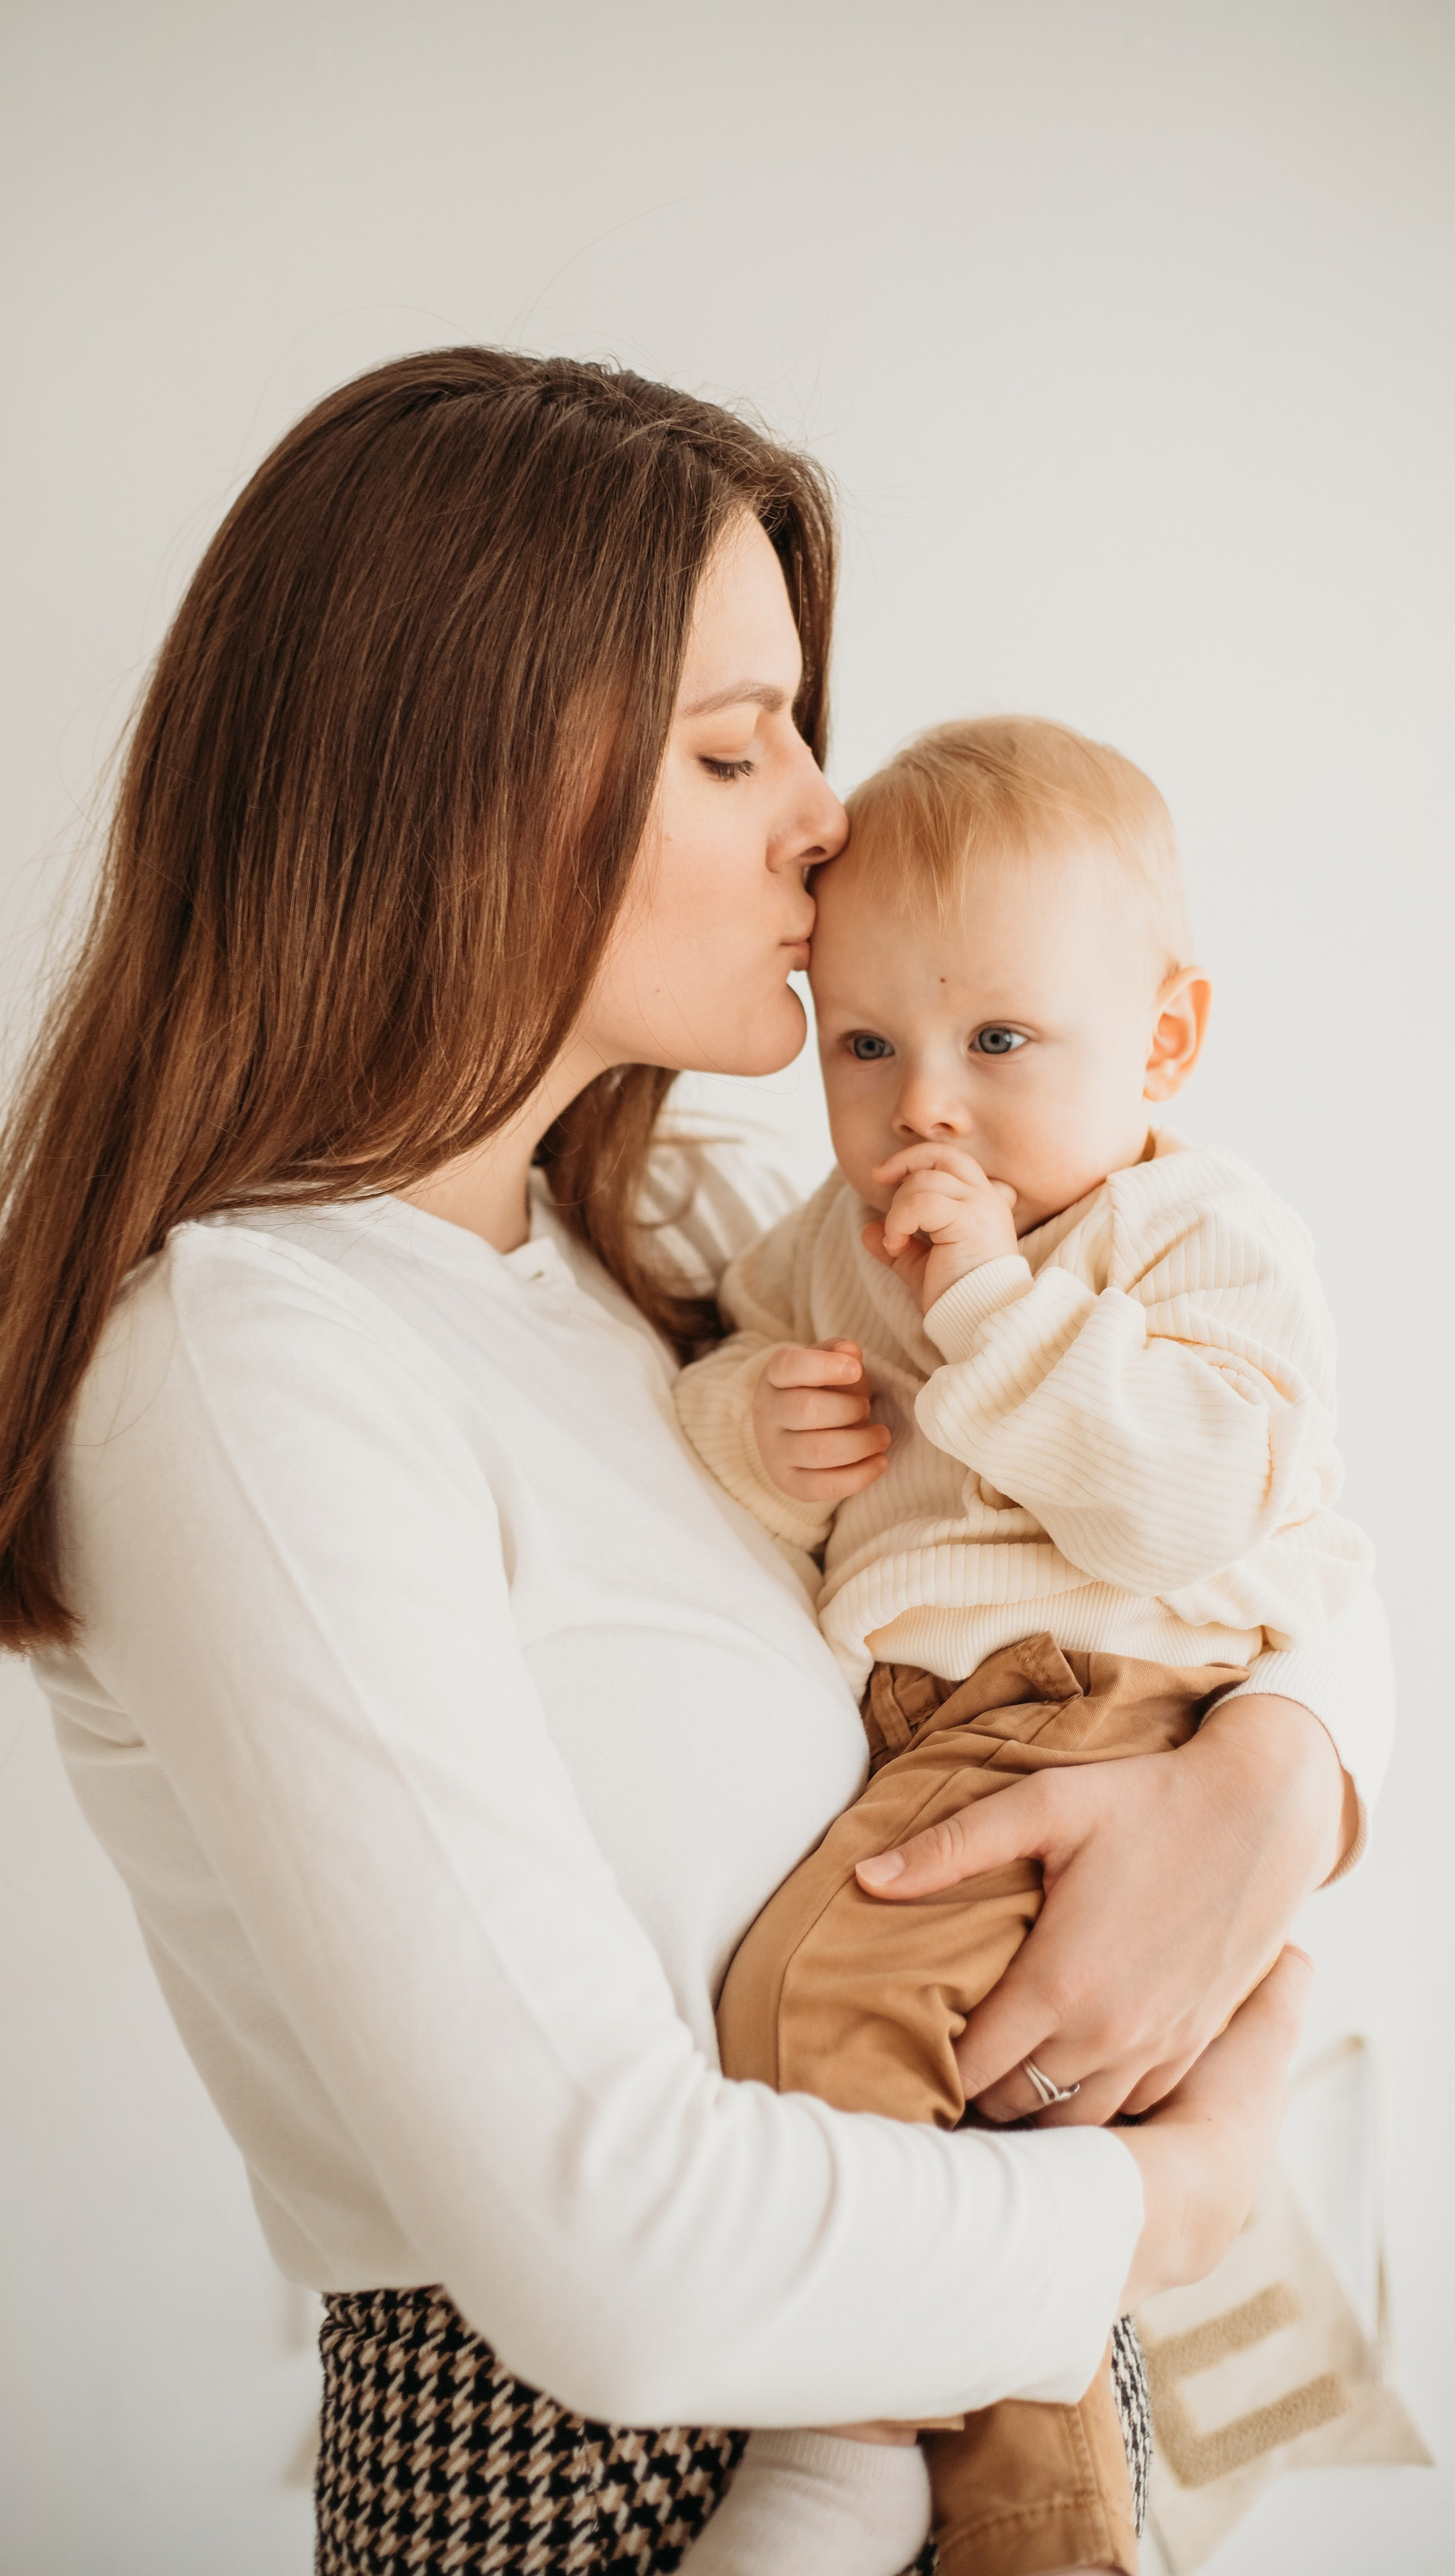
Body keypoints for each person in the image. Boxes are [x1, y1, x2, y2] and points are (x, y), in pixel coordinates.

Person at [0, 351, 1373, 2575]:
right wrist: (1176, 2193)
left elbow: (1274, 1492)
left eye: (797, 722)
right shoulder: (253, 1372)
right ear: (461, 782)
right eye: (729, 743)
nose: (821, 814)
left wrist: (1277, 1774)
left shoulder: (670, 1252)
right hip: (609, 2490)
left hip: (976, 2349)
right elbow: (613, 2242)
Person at [673, 715, 1382, 2576]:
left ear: (1162, 1044)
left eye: (999, 1042)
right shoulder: (834, 1238)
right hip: (934, 1725)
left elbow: (1199, 1507)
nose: (925, 1107)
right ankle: (997, 2477)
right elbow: (731, 1380)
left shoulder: (1193, 1236)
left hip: (1091, 1708)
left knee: (845, 2024)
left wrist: (991, 1307)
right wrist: (751, 1423)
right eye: (868, 1045)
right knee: (903, 2083)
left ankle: (889, 2457)